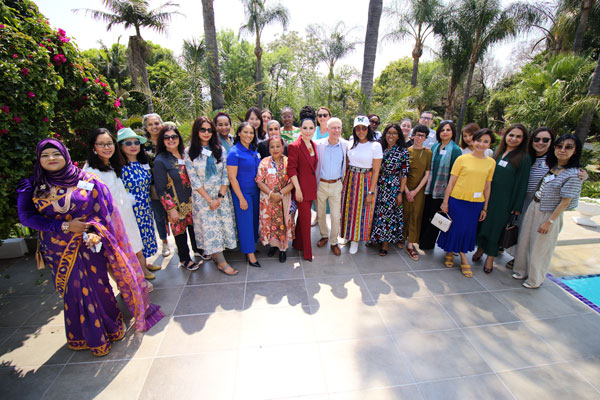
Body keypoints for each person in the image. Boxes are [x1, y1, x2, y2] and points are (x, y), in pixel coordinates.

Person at [17, 139, 164, 356]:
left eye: (56, 154)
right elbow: (27, 217)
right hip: (59, 250)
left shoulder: (86, 180)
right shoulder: (33, 185)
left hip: (90, 245)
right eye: (45, 155)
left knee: (99, 285)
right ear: (39, 159)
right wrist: (65, 226)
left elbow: (103, 210)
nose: (51, 158)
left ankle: (112, 327)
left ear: (65, 155)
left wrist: (95, 230)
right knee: (74, 291)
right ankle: (84, 336)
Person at [84, 128, 159, 282]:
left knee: (136, 243)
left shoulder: (112, 165)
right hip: (111, 221)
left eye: (109, 143)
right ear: (93, 147)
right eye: (101, 144)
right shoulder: (90, 172)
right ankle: (133, 282)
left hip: (128, 214)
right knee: (121, 254)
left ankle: (139, 276)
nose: (107, 148)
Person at [512, 134, 583, 288]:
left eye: (568, 147)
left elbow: (565, 201)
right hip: (534, 205)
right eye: (560, 146)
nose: (562, 150)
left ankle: (534, 279)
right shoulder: (553, 166)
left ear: (575, 151)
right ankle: (521, 270)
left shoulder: (574, 174)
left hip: (549, 213)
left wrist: (549, 221)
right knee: (525, 240)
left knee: (540, 247)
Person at [437, 129, 497, 277]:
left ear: (490, 144)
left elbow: (487, 186)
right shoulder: (462, 159)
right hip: (457, 201)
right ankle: (463, 258)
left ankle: (451, 252)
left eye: (486, 142)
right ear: (473, 141)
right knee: (455, 229)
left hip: (475, 204)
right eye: (478, 140)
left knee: (467, 231)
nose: (481, 144)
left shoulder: (491, 163)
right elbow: (451, 183)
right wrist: (445, 202)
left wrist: (485, 208)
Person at [473, 124, 532, 273]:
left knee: (496, 228)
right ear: (506, 136)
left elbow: (522, 183)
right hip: (489, 196)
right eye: (511, 135)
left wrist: (516, 206)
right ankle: (480, 249)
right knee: (484, 224)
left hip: (505, 200)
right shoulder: (499, 153)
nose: (513, 139)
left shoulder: (524, 158)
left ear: (523, 139)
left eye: (518, 136)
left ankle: (490, 258)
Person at [185, 117, 238, 275]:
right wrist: (210, 200)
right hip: (203, 199)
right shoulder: (189, 152)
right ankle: (222, 262)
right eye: (203, 129)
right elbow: (194, 179)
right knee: (211, 229)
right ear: (197, 131)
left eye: (209, 130)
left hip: (221, 196)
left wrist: (220, 197)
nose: (206, 133)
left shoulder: (219, 149)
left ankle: (217, 255)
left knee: (221, 226)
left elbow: (225, 174)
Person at [154, 126, 201, 271]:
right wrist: (171, 209)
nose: (171, 140)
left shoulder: (185, 154)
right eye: (167, 137)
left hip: (192, 200)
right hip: (175, 204)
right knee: (180, 233)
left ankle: (198, 250)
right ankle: (185, 258)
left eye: (174, 136)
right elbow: (160, 188)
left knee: (194, 228)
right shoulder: (160, 160)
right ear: (162, 140)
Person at [118, 128, 158, 278]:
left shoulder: (143, 162)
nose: (133, 146)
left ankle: (145, 263)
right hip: (131, 209)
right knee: (136, 237)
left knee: (146, 234)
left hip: (145, 206)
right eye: (128, 143)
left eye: (136, 142)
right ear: (121, 147)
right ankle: (141, 270)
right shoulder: (119, 166)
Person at [341, 116, 383, 255]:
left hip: (366, 179)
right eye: (358, 128)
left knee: (361, 211)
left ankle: (356, 240)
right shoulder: (351, 143)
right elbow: (347, 164)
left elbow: (376, 171)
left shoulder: (375, 146)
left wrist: (371, 192)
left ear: (368, 129)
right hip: (351, 178)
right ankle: (347, 235)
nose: (361, 131)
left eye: (364, 128)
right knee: (348, 209)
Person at [418, 120, 463, 250]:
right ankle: (421, 239)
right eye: (442, 130)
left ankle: (427, 244)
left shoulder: (455, 150)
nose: (445, 132)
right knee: (426, 215)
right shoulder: (435, 147)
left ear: (453, 132)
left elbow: (455, 175)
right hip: (429, 188)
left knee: (435, 217)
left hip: (443, 191)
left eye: (448, 130)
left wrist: (447, 198)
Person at [370, 124, 409, 256]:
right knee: (376, 212)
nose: (390, 135)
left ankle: (385, 243)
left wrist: (400, 193)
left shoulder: (403, 151)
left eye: (394, 133)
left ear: (398, 136)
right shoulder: (380, 148)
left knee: (387, 215)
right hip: (378, 183)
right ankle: (375, 238)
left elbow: (404, 174)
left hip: (392, 186)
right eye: (388, 132)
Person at [256, 137, 296, 263]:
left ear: (283, 147)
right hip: (269, 200)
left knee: (283, 224)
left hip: (284, 199)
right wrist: (271, 194)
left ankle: (283, 249)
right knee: (271, 224)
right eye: (272, 147)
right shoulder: (264, 162)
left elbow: (293, 182)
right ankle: (273, 246)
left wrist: (280, 193)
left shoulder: (288, 162)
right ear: (269, 149)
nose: (275, 149)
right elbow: (259, 181)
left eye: (278, 146)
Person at [227, 122, 262, 268]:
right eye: (245, 132)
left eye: (251, 133)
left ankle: (251, 245)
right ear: (239, 133)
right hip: (243, 193)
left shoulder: (253, 150)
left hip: (255, 191)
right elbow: (232, 178)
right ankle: (250, 254)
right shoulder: (234, 152)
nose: (249, 135)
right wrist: (241, 198)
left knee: (254, 220)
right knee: (245, 223)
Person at [315, 117, 348, 256]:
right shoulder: (318, 145)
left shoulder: (346, 145)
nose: (336, 130)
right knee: (321, 213)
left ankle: (334, 242)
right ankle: (324, 236)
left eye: (338, 127)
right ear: (327, 129)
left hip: (336, 184)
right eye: (333, 128)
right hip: (321, 184)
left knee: (335, 215)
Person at [288, 117, 319, 261]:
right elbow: (291, 169)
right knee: (306, 221)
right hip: (301, 189)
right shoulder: (294, 146)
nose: (308, 131)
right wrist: (298, 189)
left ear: (314, 129)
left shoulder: (313, 144)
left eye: (311, 128)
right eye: (305, 128)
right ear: (300, 129)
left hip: (311, 187)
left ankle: (298, 243)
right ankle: (307, 253)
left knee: (302, 218)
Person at [142, 113, 171, 257]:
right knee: (159, 216)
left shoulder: (169, 140)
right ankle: (164, 243)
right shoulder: (143, 146)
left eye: (156, 123)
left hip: (172, 184)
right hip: (154, 187)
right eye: (150, 124)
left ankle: (181, 244)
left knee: (177, 215)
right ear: (146, 127)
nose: (154, 127)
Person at [402, 125, 432, 260]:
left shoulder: (428, 153)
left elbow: (427, 174)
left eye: (422, 136)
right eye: (417, 135)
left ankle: (410, 245)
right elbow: (402, 173)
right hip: (405, 188)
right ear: (413, 136)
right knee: (404, 213)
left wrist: (415, 191)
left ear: (425, 138)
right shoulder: (406, 151)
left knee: (416, 215)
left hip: (419, 190)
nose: (419, 138)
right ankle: (401, 238)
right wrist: (407, 191)